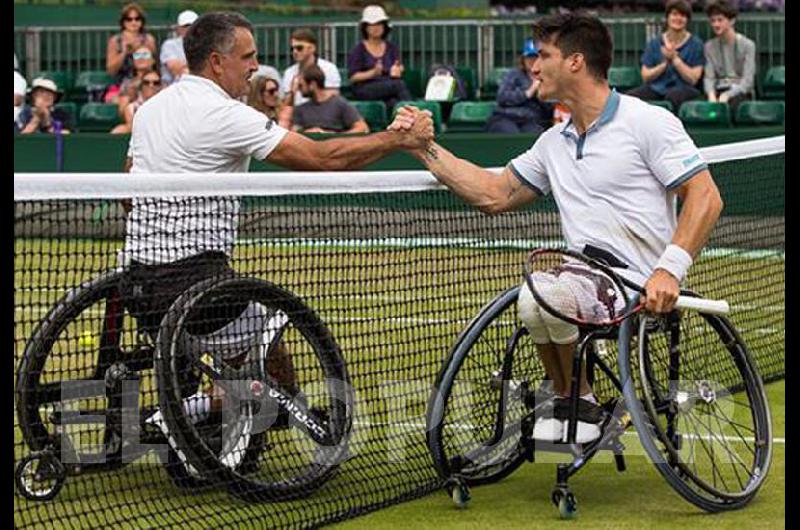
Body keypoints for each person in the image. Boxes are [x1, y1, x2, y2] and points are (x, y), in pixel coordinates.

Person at [392, 12, 723, 443]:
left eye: (543, 55)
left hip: (638, 285)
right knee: (536, 299)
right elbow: (494, 193)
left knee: (540, 295)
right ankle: (577, 398)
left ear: (575, 62)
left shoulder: (648, 123)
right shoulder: (553, 143)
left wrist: (670, 270)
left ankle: (574, 401)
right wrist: (425, 149)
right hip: (580, 279)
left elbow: (706, 196)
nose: (533, 66)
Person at [121, 12, 432, 442]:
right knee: (271, 333)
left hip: (137, 281)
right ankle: (259, 405)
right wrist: (397, 139)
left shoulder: (150, 110)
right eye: (248, 57)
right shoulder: (225, 114)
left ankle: (206, 409)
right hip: (194, 283)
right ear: (216, 62)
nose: (255, 67)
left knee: (244, 333)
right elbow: (323, 158)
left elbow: (125, 189)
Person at [626, 0, 704, 111]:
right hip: (657, 88)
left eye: (682, 15)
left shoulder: (696, 44)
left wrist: (675, 60)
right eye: (674, 14)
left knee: (673, 96)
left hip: (685, 88)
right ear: (667, 17)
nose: (678, 18)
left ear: (687, 20)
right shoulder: (654, 43)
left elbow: (693, 79)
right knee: (630, 98)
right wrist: (664, 64)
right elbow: (645, 76)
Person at [346, 5, 412, 112]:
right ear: (365, 28)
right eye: (371, 25)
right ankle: (414, 113)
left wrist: (398, 70)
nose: (376, 28)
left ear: (385, 26)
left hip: (388, 86)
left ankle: (399, 126)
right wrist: (373, 73)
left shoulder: (391, 48)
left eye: (379, 24)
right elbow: (353, 77)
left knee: (393, 103)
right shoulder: (358, 50)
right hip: (365, 88)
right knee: (398, 85)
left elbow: (398, 65)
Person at [486, 38, 554, 134]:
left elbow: (549, 108)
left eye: (535, 57)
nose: (532, 61)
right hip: (506, 117)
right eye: (529, 57)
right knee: (510, 132)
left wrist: (539, 93)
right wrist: (527, 93)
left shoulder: (547, 78)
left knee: (536, 134)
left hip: (531, 120)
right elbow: (502, 97)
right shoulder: (513, 74)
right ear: (523, 59)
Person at [703, 0, 756, 113]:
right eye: (713, 21)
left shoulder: (748, 45)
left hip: (740, 92)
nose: (715, 24)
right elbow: (709, 77)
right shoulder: (709, 46)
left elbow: (747, 81)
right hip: (719, 89)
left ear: (732, 21)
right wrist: (711, 95)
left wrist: (728, 95)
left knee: (734, 106)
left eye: (720, 20)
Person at [292, 65, 369, 134]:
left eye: (301, 86)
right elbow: (294, 133)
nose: (299, 89)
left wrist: (333, 135)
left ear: (312, 85)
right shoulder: (300, 109)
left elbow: (362, 128)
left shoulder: (339, 104)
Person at [105, 3, 157, 103]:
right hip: (120, 85)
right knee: (124, 100)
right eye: (129, 19)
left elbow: (153, 65)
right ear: (123, 22)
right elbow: (111, 70)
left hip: (145, 83)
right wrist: (124, 52)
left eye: (137, 19)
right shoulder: (115, 41)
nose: (133, 22)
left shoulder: (149, 40)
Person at [280, 28, 341, 110]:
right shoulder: (289, 72)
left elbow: (334, 96)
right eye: (292, 49)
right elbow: (286, 105)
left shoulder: (328, 68)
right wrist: (292, 93)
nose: (295, 52)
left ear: (312, 48)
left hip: (322, 113)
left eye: (299, 48)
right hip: (297, 115)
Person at [111, 69, 162, 134]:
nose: (151, 85)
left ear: (160, 86)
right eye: (146, 82)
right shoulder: (132, 108)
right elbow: (132, 127)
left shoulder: (166, 106)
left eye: (156, 83)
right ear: (141, 85)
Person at [160, 10, 199, 86]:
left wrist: (183, 64)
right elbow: (174, 68)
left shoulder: (206, 45)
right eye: (186, 26)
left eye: (193, 25)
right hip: (172, 88)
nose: (190, 29)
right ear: (179, 28)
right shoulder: (169, 45)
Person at [117, 45, 157, 117]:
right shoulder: (127, 83)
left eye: (145, 55)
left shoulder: (161, 81)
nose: (141, 58)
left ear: (153, 60)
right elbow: (121, 110)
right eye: (137, 55)